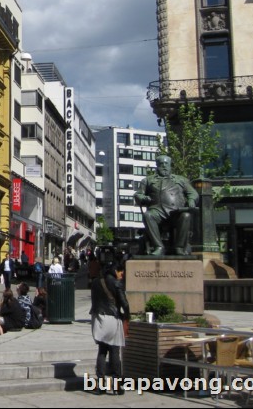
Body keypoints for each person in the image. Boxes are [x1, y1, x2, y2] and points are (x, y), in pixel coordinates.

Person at [134, 154, 198, 256]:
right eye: (161, 164)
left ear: (170, 165)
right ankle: (158, 246)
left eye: (166, 164)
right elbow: (138, 194)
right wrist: (142, 198)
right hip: (157, 211)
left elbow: (193, 193)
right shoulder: (148, 180)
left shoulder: (181, 179)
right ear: (157, 165)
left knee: (186, 216)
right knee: (148, 215)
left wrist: (191, 200)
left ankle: (179, 247)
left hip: (176, 211)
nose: (164, 166)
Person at [89, 261, 130, 395]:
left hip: (98, 318)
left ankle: (101, 385)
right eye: (121, 271)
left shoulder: (95, 282)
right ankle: (117, 385)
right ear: (115, 271)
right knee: (114, 351)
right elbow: (125, 303)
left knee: (102, 351)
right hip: (112, 318)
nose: (122, 275)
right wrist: (127, 316)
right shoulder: (116, 283)